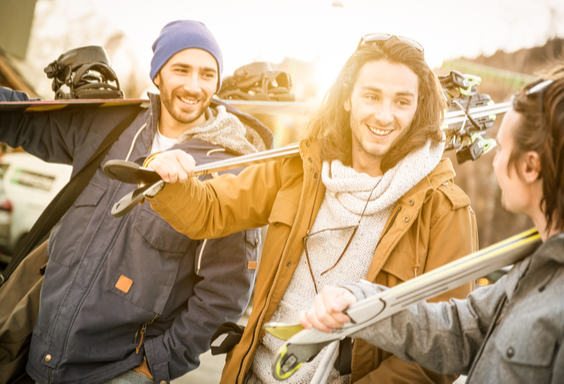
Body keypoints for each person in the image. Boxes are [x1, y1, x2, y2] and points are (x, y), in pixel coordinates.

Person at [145, 34, 478, 383]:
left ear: (418, 108)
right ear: (347, 98)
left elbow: (441, 353)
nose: (384, 115)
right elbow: (210, 209)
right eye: (371, 96)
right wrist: (165, 173)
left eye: (401, 101)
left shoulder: (445, 209)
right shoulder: (301, 168)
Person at [0, 20, 273, 384]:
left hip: (116, 372)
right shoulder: (109, 128)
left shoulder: (229, 171)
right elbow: (22, 120)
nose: (194, 86)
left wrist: (153, 366)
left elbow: (224, 294)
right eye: (181, 70)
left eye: (207, 74)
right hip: (40, 357)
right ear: (157, 74)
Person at [299, 63, 564, 383]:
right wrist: (362, 303)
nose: (495, 162)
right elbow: (460, 330)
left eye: (501, 149)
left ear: (530, 167)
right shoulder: (537, 264)